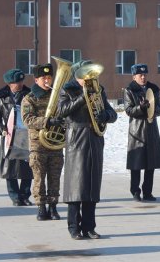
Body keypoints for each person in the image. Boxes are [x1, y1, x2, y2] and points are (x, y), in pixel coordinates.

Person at [57, 60, 117, 240]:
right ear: (77, 75)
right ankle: (74, 227)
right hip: (76, 139)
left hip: (94, 139)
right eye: (86, 76)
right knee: (76, 186)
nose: (89, 79)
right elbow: (62, 111)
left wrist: (104, 115)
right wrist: (82, 97)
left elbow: (112, 114)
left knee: (91, 185)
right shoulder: (67, 89)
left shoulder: (99, 89)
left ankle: (89, 227)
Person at [21, 64, 64, 221]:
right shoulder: (29, 98)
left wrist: (60, 121)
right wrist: (48, 121)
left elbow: (65, 115)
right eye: (43, 78)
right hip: (38, 145)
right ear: (36, 79)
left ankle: (53, 207)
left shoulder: (58, 96)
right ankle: (41, 207)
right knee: (39, 177)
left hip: (55, 143)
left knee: (55, 176)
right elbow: (27, 120)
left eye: (49, 77)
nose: (47, 80)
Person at [124, 64, 160, 202]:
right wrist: (141, 108)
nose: (143, 77)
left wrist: (153, 111)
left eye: (145, 75)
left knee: (150, 164)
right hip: (137, 131)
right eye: (140, 75)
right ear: (134, 76)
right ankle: (135, 191)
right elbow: (129, 110)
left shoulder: (153, 89)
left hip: (151, 130)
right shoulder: (130, 90)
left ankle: (148, 192)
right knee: (136, 164)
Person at [0, 69, 33, 206]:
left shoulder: (30, 94)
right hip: (8, 136)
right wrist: (2, 129)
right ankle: (15, 197)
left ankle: (25, 195)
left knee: (27, 167)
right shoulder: (1, 96)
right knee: (9, 169)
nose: (20, 84)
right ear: (9, 83)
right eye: (17, 82)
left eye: (21, 81)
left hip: (26, 135)